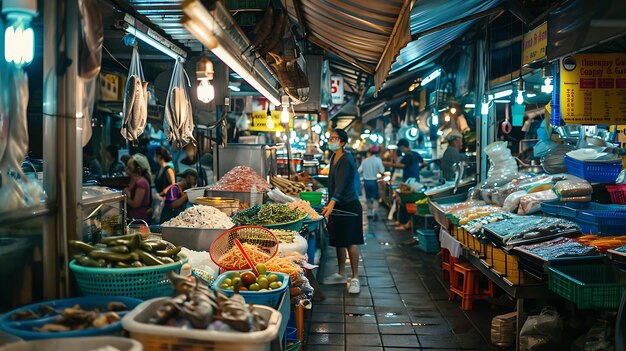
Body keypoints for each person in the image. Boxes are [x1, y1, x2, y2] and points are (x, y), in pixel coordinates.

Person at [321, 128, 364, 294]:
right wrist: (330, 201)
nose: (331, 140)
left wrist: (332, 202)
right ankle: (341, 273)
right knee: (338, 240)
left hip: (349, 205)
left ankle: (355, 278)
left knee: (351, 242)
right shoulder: (334, 157)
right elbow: (332, 182)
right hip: (337, 204)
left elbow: (343, 184)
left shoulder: (346, 159)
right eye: (330, 138)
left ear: (342, 142)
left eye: (334, 138)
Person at [123, 154, 152, 223]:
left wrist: (124, 196)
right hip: (132, 217)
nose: (126, 169)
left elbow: (136, 204)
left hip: (139, 219)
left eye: (129, 167)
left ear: (138, 169)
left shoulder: (141, 182)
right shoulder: (133, 180)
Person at [359, 146, 384, 221]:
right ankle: (374, 212)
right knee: (375, 198)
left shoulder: (365, 161)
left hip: (366, 182)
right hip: (374, 182)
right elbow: (382, 171)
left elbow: (359, 171)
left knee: (368, 198)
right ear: (378, 153)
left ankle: (369, 213)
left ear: (369, 152)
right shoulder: (378, 160)